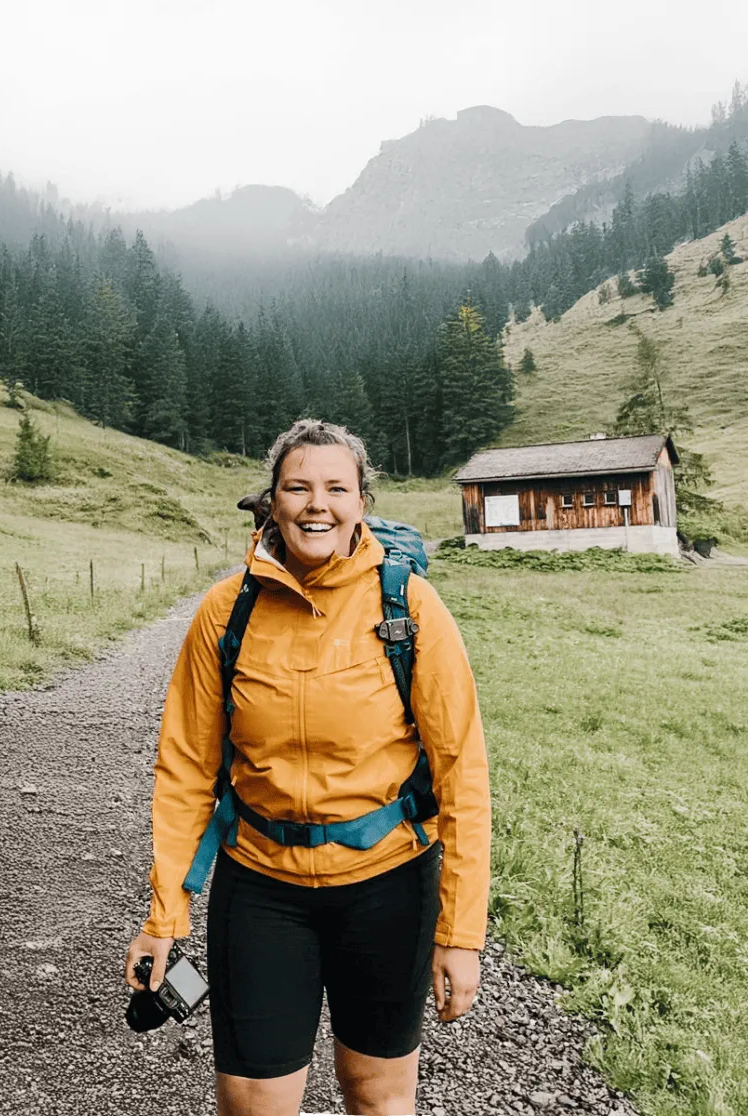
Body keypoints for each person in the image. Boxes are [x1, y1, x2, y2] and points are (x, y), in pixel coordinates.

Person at [124, 419, 491, 1116]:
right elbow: (185, 771)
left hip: (389, 886)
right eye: (297, 487)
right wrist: (163, 916)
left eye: (335, 488)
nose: (316, 503)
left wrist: (460, 935)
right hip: (260, 888)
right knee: (252, 1102)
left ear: (361, 502)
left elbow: (462, 776)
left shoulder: (409, 607)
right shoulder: (223, 613)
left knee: (378, 1095)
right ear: (273, 501)